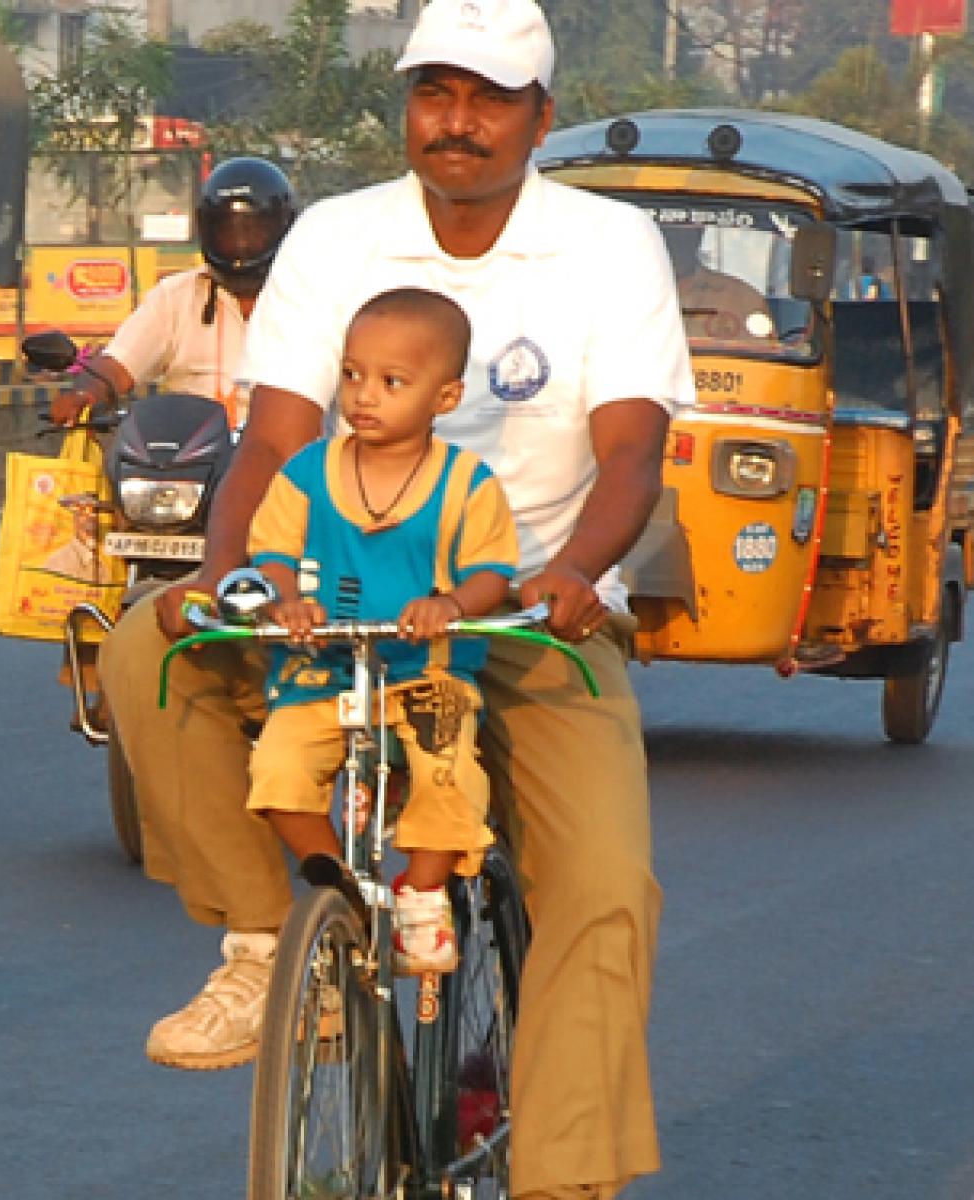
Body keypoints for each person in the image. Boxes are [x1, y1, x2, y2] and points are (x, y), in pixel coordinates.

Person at [99, 0, 695, 1194]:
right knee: (144, 653)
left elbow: (632, 449)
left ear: (541, 117)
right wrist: (228, 578)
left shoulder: (608, 243)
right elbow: (271, 443)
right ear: (408, 105)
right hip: (336, 592)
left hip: (521, 612)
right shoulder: (337, 235)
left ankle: (563, 1171)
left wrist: (576, 572)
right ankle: (273, 943)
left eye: (487, 100)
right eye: (435, 93)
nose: (457, 123)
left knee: (602, 882)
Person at [246, 286, 517, 978]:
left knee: (448, 770)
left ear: (446, 397)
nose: (365, 395)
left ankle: (424, 891)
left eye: (392, 382)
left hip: (424, 673)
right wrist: (284, 602)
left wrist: (450, 604)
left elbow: (493, 573)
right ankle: (337, 886)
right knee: (276, 769)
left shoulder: (467, 484)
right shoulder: (306, 473)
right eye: (353, 375)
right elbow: (271, 552)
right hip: (322, 672)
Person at [49, 157, 297, 431]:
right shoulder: (175, 298)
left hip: (289, 461)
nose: (240, 244)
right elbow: (118, 365)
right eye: (227, 232)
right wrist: (86, 394)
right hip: (190, 461)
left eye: (253, 232)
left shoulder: (314, 300)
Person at [664, 223, 774, 342]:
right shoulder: (641, 292)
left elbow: (763, 355)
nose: (678, 239)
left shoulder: (742, 299)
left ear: (701, 232)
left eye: (685, 230)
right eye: (670, 231)